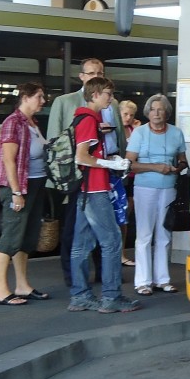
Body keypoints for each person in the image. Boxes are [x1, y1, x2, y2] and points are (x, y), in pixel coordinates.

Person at [48, 58, 126, 285]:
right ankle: (79, 281)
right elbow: (56, 143)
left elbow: (119, 136)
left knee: (93, 232)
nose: (96, 77)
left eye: (100, 73)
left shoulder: (112, 104)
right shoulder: (67, 103)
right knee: (85, 232)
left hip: (108, 171)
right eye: (91, 73)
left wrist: (119, 164)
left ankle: (95, 280)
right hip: (82, 175)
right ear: (82, 76)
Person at [66, 76, 139, 314]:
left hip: (84, 188)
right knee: (112, 241)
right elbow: (82, 157)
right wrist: (111, 164)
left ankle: (80, 296)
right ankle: (111, 296)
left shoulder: (82, 117)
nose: (111, 98)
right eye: (108, 93)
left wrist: (108, 160)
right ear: (95, 94)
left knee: (80, 244)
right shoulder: (89, 119)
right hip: (96, 188)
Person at [0, 82, 51, 306]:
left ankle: (22, 285)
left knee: (27, 237)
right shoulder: (12, 122)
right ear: (25, 97)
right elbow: (8, 160)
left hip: (36, 184)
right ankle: (0, 290)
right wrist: (16, 192)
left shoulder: (32, 123)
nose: (43, 101)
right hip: (19, 187)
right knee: (11, 236)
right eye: (39, 96)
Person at [126, 93, 187, 295]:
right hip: (144, 187)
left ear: (167, 112)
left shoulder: (176, 133)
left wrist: (178, 168)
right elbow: (129, 164)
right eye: (152, 109)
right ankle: (142, 281)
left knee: (164, 234)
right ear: (147, 112)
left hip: (169, 187)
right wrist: (155, 167)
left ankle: (162, 279)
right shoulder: (139, 133)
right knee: (144, 234)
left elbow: (183, 160)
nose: (156, 113)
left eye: (160, 109)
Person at [117, 98, 141, 266]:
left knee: (126, 216)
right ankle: (117, 253)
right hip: (119, 176)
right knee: (119, 215)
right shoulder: (115, 129)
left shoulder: (135, 129)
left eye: (131, 115)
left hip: (132, 176)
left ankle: (122, 252)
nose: (128, 118)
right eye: (125, 114)